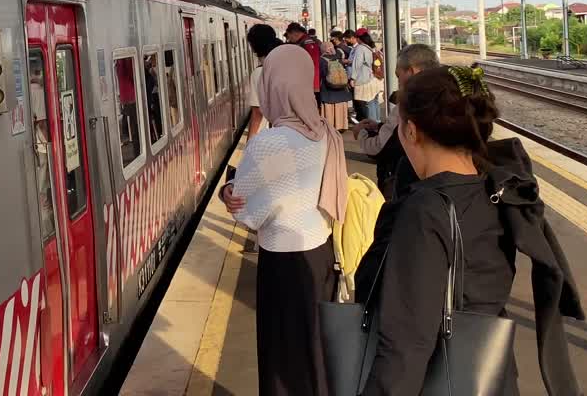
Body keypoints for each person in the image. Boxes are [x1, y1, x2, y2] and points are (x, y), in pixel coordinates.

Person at [357, 66, 516, 395]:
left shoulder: (426, 210)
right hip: (487, 374)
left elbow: (406, 345)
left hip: (442, 381)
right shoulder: (493, 187)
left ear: (412, 132)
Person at [219, 45, 348, 396]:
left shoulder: (271, 144)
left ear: (272, 85)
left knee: (283, 355)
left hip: (283, 263)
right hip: (321, 255)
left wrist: (228, 192)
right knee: (316, 349)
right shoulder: (324, 134)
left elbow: (247, 210)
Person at [350, 44, 439, 199]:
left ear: (411, 71)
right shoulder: (447, 98)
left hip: (409, 186)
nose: (398, 82)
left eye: (399, 76)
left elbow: (380, 148)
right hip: (445, 183)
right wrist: (380, 126)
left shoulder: (406, 108)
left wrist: (361, 133)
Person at [245, 24, 283, 137]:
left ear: (253, 45)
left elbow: (258, 113)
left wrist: (250, 143)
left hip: (274, 135)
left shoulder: (259, 73)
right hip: (298, 132)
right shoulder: (287, 65)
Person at [348, 28, 381, 122]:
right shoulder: (373, 46)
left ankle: (372, 124)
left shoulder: (360, 48)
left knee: (368, 102)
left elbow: (357, 64)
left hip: (366, 79)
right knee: (374, 101)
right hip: (376, 78)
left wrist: (353, 78)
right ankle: (377, 121)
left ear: (358, 38)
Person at [318, 41, 352, 130]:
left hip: (328, 90)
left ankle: (330, 126)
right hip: (342, 89)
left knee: (329, 108)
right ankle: (342, 125)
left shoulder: (321, 60)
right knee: (340, 107)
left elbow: (321, 74)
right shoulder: (338, 58)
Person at [285, 22, 322, 98]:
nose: (290, 40)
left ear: (294, 33)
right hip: (310, 81)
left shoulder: (307, 43)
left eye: (290, 37)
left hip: (311, 82)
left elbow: (313, 63)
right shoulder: (304, 42)